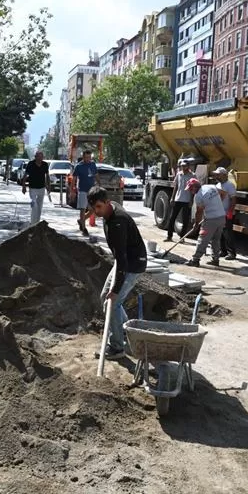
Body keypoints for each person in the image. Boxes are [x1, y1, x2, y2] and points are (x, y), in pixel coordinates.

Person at [88, 186, 147, 360]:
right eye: (93, 208)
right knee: (104, 298)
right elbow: (120, 259)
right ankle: (123, 331)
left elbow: (122, 260)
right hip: (123, 262)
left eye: (99, 207)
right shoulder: (110, 207)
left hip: (132, 264)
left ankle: (117, 347)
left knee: (112, 303)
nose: (96, 212)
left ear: (106, 202)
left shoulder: (118, 223)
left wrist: (115, 290)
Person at [184, 178, 227, 267]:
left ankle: (195, 260)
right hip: (221, 217)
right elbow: (224, 193)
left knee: (203, 239)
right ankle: (215, 259)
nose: (191, 191)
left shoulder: (198, 196)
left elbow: (199, 212)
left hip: (211, 220)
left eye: (191, 189)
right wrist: (217, 204)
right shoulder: (211, 186)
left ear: (196, 186)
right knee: (216, 239)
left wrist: (196, 224)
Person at [165, 161, 195, 242]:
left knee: (185, 220)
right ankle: (169, 236)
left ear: (188, 166)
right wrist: (172, 198)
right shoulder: (179, 174)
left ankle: (182, 238)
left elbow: (193, 189)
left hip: (187, 200)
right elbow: (176, 186)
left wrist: (191, 200)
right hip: (178, 199)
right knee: (172, 218)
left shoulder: (193, 175)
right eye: (181, 166)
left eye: (184, 166)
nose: (183, 167)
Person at [72, 150, 99, 236]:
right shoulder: (78, 166)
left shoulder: (93, 164)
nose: (88, 159)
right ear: (83, 157)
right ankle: (83, 228)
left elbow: (96, 175)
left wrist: (100, 183)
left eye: (89, 157)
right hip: (82, 190)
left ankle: (81, 220)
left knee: (93, 209)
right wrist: (72, 189)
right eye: (87, 157)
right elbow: (74, 178)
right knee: (83, 209)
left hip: (91, 191)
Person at [213, 167, 238, 260]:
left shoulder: (229, 185)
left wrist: (230, 212)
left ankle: (232, 253)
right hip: (219, 213)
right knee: (220, 233)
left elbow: (233, 199)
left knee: (228, 233)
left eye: (218, 174)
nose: (216, 176)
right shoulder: (218, 185)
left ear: (224, 175)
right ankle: (223, 251)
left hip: (227, 213)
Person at [21, 151, 50, 225]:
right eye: (39, 157)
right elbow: (25, 175)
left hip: (41, 188)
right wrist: (23, 186)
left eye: (41, 157)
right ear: (35, 157)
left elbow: (47, 175)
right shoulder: (31, 164)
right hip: (32, 188)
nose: (40, 158)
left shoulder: (45, 165)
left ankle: (37, 223)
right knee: (34, 205)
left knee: (39, 207)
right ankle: (33, 223)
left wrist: (48, 186)